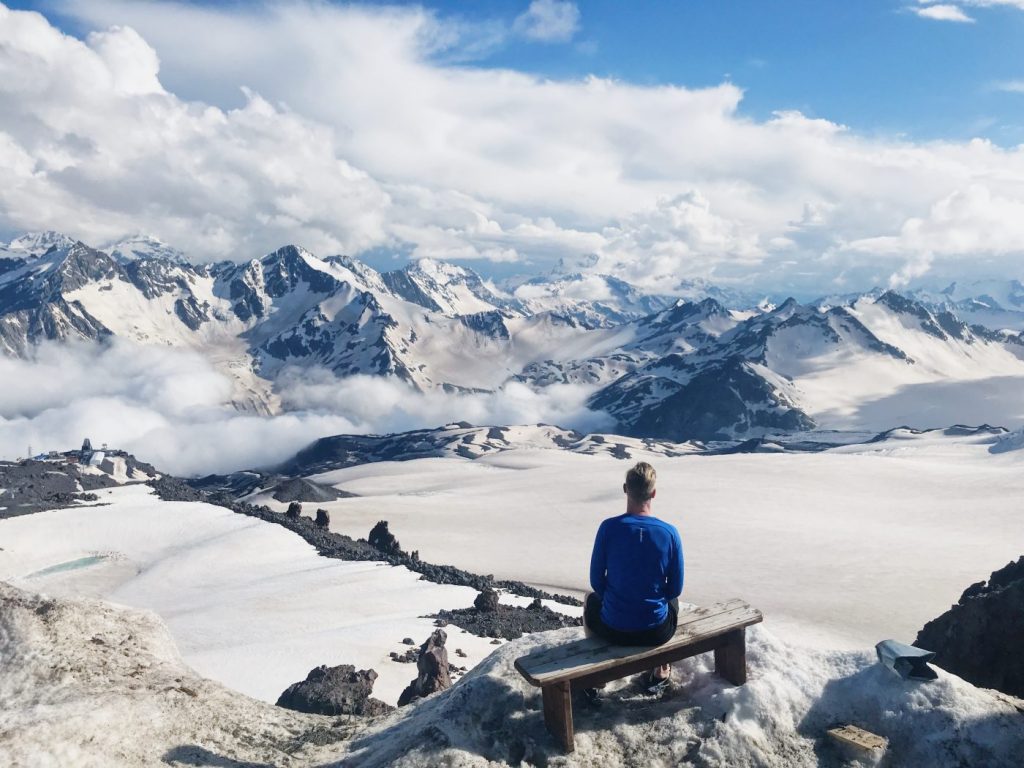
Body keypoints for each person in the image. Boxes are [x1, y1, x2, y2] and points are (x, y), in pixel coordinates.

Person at [585, 461, 684, 694]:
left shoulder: (608, 528)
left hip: (614, 628)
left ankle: (597, 674)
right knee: (672, 603)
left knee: (590, 599)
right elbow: (675, 588)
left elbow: (596, 581)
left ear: (625, 489)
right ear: (654, 493)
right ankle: (660, 670)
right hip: (656, 631)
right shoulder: (669, 533)